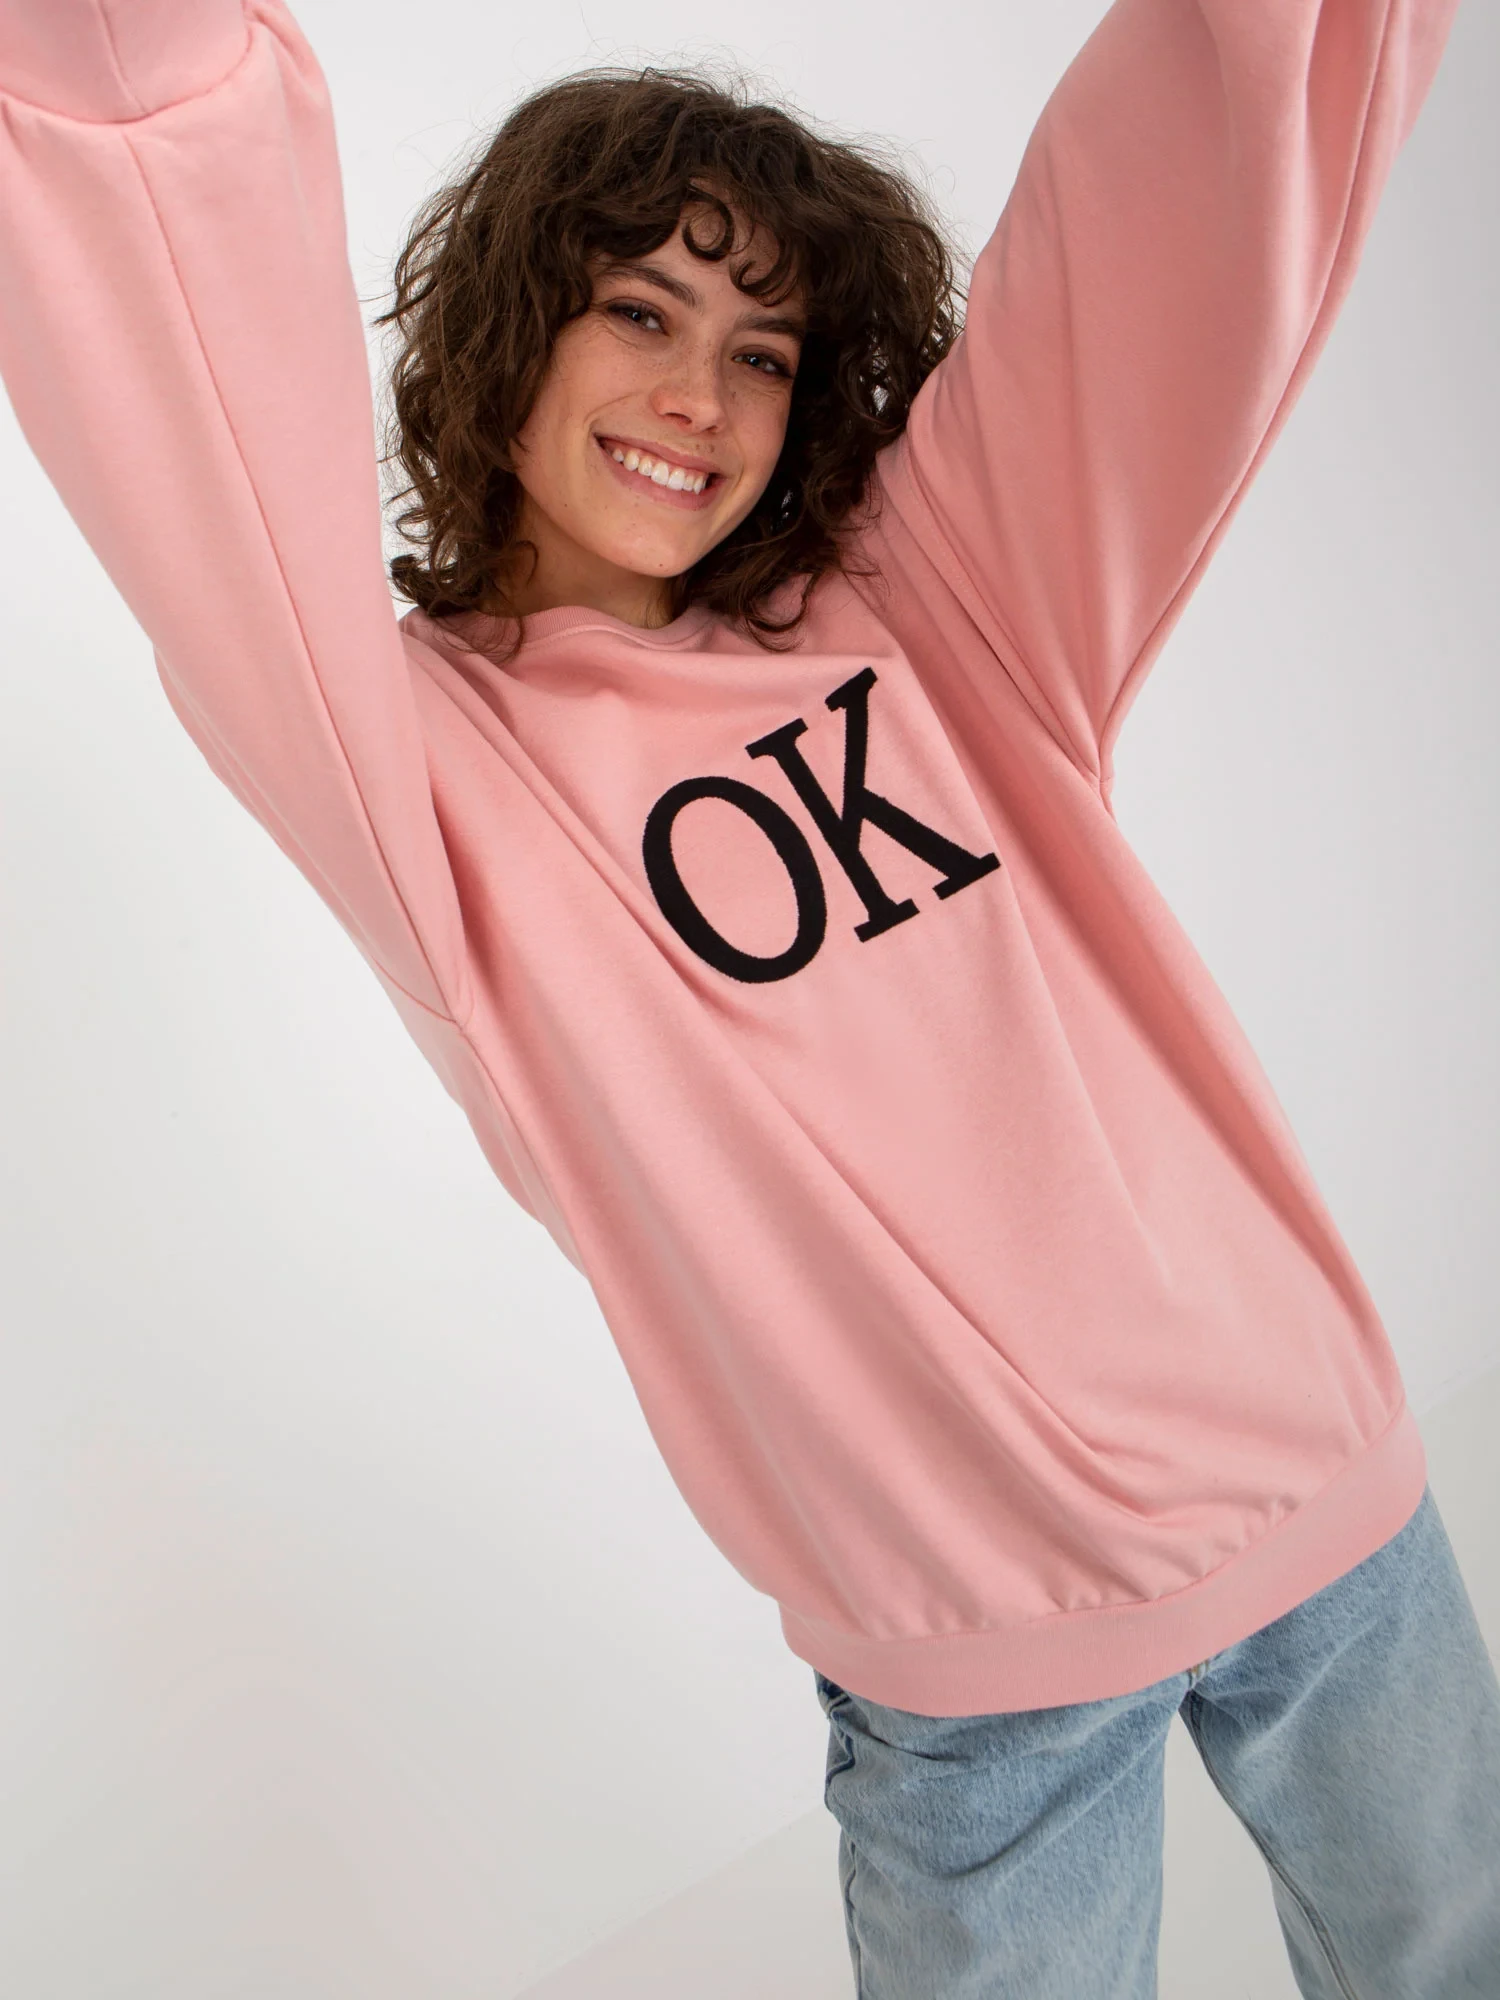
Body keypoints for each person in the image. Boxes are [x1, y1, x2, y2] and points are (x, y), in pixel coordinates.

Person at [0, 0, 1494, 1993]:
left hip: (1315, 1491)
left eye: (763, 352)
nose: (699, 396)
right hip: (970, 1664)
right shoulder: (416, 772)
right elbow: (174, 295)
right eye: (641, 311)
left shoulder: (933, 604)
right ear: (514, 332)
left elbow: (1196, 199)